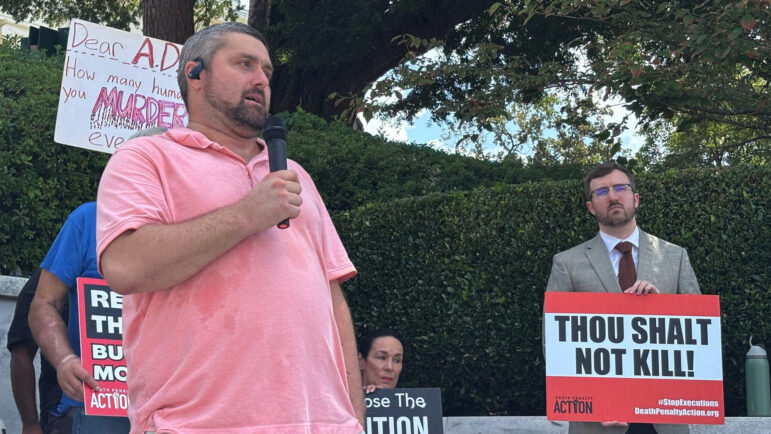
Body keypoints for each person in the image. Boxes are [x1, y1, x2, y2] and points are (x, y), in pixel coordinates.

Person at [96, 22, 364, 433]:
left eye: (267, 71)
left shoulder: (295, 175)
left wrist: (352, 418)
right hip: (197, 424)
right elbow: (126, 267)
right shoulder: (145, 158)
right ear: (195, 74)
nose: (260, 80)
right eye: (244, 64)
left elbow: (333, 298)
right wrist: (245, 216)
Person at [546, 161, 700, 434]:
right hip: (598, 422)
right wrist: (595, 403)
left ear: (636, 198)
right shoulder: (566, 263)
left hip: (664, 419)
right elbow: (556, 345)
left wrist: (662, 306)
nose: (613, 196)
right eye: (601, 192)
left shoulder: (676, 257)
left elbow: (698, 334)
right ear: (591, 207)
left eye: (620, 188)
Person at [28, 202, 131, 433]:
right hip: (102, 402)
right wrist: (64, 359)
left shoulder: (196, 223)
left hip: (183, 403)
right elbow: (44, 303)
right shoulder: (89, 220)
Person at [7, 270, 72, 434]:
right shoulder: (48, 281)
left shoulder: (133, 270)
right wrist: (30, 424)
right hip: (65, 410)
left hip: (128, 406)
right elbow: (22, 351)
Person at [358, 328, 404, 393]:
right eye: (381, 358)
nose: (390, 367)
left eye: (397, 360)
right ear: (361, 361)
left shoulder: (412, 401)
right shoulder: (341, 400)